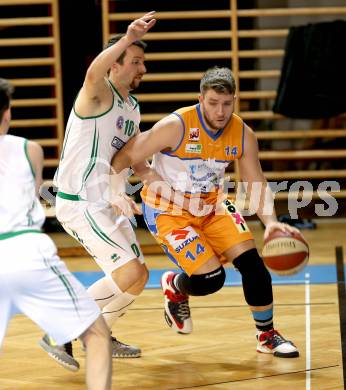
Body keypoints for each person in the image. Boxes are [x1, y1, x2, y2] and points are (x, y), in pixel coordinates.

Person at [111, 66, 302, 358]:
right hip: (167, 209)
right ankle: (176, 285)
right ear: (201, 99)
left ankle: (267, 335)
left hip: (211, 205)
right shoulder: (176, 125)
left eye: (227, 103)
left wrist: (272, 222)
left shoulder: (243, 134)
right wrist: (116, 190)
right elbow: (125, 156)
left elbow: (254, 180)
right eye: (213, 103)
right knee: (211, 279)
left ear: (234, 100)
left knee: (253, 266)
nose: (220, 111)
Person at [39, 12, 158, 369]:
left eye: (143, 63)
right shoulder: (96, 93)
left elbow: (135, 161)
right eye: (136, 62)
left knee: (138, 276)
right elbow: (93, 72)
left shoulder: (132, 109)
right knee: (127, 275)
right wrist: (127, 37)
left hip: (107, 201)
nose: (143, 70)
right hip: (79, 202)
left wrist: (162, 186)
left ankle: (100, 333)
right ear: (115, 65)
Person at [0, 78, 112, 389]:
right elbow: (34, 194)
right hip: (24, 250)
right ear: (7, 113)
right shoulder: (30, 150)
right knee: (97, 333)